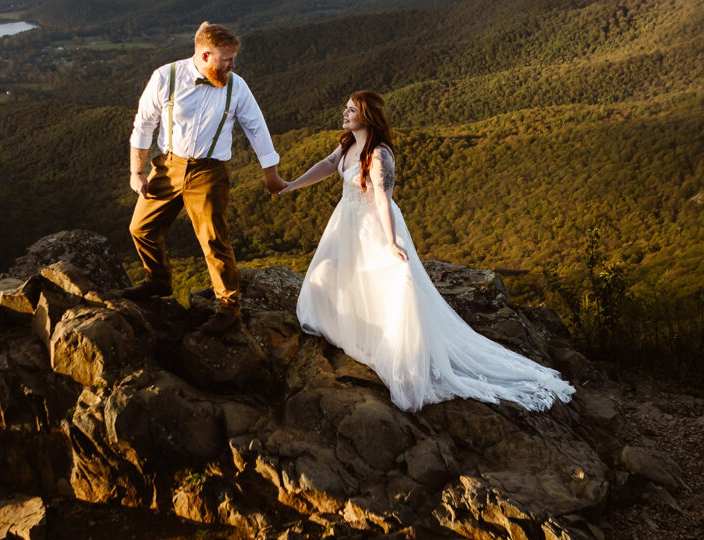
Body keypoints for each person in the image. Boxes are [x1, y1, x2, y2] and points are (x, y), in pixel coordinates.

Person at [279, 90, 574, 412]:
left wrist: (391, 243)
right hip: (346, 223)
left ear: (366, 116)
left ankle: (390, 346)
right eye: (346, 108)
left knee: (388, 284)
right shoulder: (348, 144)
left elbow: (383, 201)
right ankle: (351, 329)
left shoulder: (379, 155)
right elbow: (327, 165)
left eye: (351, 110)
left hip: (374, 225)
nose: (345, 114)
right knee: (335, 275)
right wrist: (292, 184)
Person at [126, 21, 286, 334]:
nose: (232, 65)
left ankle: (228, 308)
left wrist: (272, 175)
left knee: (213, 239)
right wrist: (136, 171)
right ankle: (157, 281)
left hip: (211, 170)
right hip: (168, 166)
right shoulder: (165, 77)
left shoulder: (236, 86)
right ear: (205, 55)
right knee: (140, 228)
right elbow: (144, 124)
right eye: (226, 59)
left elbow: (257, 128)